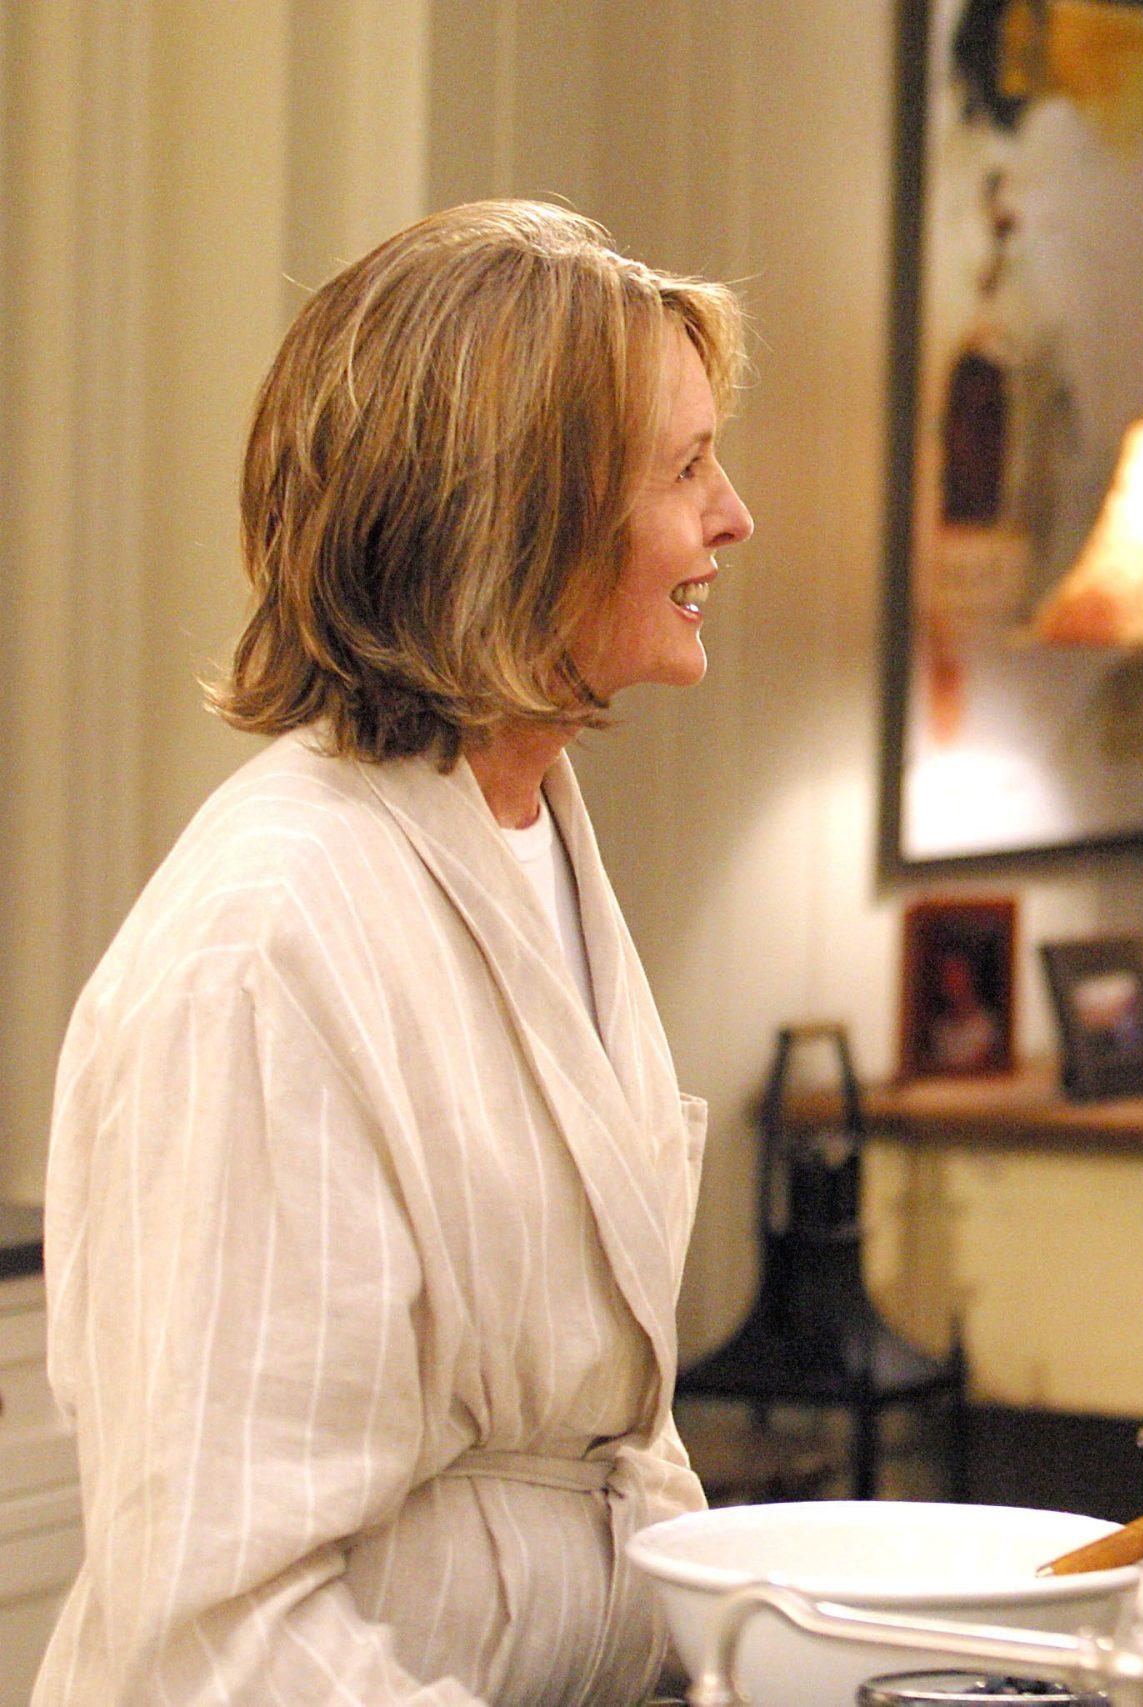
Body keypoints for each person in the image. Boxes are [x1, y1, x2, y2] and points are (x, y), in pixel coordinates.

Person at [38, 200, 754, 1703]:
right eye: (685, 469)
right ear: (525, 518)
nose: (733, 517)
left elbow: (608, 1457)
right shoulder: (263, 954)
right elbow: (217, 1644)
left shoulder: (531, 833)